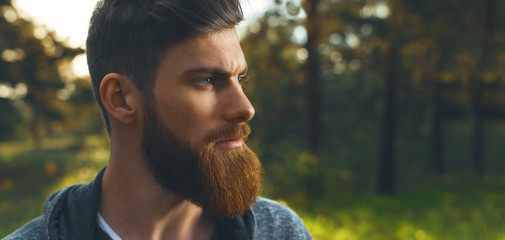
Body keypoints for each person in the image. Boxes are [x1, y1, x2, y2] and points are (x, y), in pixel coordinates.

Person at [3, 0, 312, 239]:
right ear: (121, 98)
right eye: (206, 80)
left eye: (239, 79)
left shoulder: (279, 231)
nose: (245, 108)